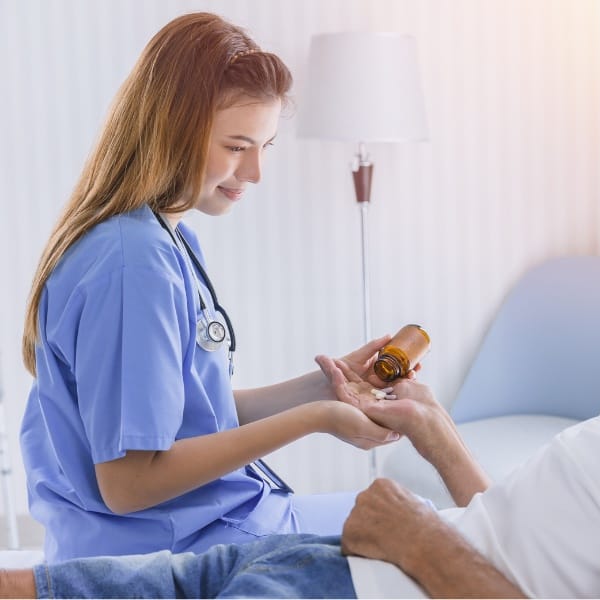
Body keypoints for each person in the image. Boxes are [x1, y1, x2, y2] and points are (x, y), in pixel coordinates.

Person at [6, 162, 600, 598]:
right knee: (87, 585)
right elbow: (525, 546)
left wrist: (415, 535)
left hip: (359, 582)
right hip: (326, 564)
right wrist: (440, 440)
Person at [19, 12, 408, 563]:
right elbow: (128, 484)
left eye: (266, 146)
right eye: (236, 146)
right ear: (170, 130)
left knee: (407, 514)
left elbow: (185, 413)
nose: (254, 173)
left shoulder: (165, 239)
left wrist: (324, 388)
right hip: (168, 551)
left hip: (205, 522)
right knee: (417, 537)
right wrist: (316, 420)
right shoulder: (134, 267)